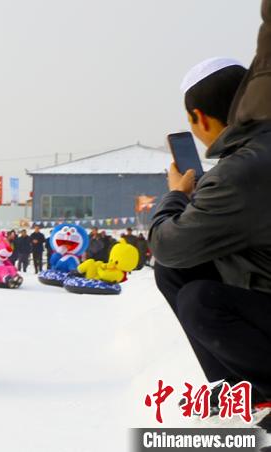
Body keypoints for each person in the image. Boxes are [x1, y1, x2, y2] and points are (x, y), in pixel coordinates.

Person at [149, 30, 271, 408]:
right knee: (177, 273)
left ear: (198, 118)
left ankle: (261, 393)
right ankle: (238, 388)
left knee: (199, 299)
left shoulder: (239, 171)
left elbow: (166, 245)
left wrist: (175, 195)